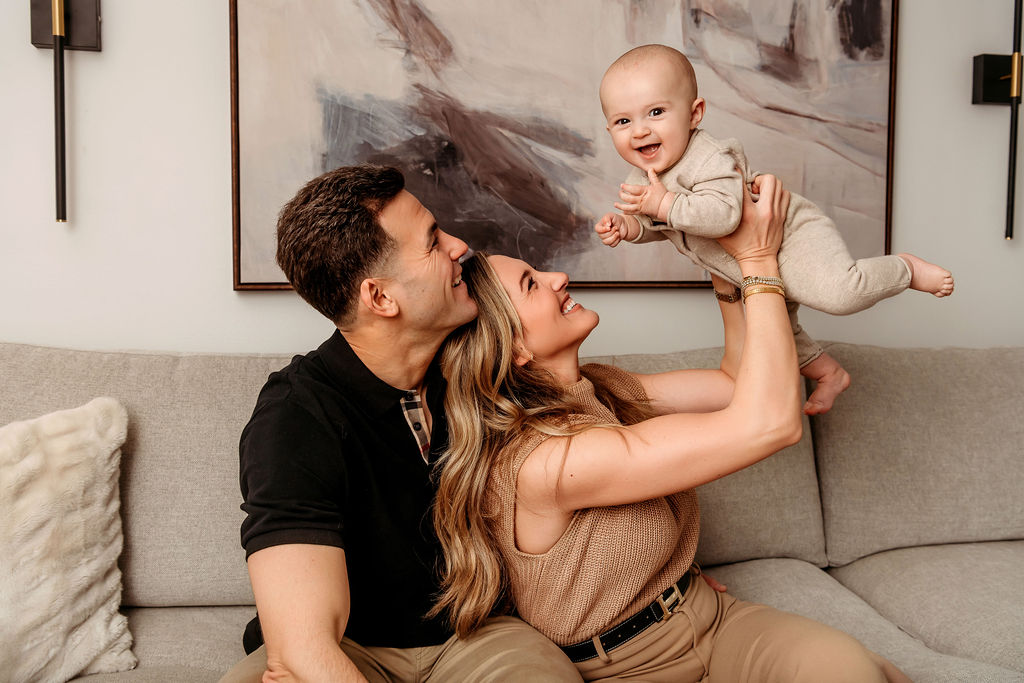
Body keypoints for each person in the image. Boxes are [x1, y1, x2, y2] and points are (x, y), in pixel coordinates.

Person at [431, 174, 911, 682]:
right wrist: (757, 263)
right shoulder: (545, 460)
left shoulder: (601, 385)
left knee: (854, 672)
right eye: (532, 284)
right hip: (632, 666)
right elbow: (770, 423)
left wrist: (723, 268)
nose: (557, 277)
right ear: (516, 350)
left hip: (715, 620)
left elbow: (735, 384)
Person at [220, 165, 583, 682]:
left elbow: (603, 439)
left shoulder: (483, 358)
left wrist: (664, 580)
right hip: (349, 650)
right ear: (382, 298)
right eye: (434, 241)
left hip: (475, 638)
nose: (460, 247)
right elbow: (301, 652)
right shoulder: (294, 417)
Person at [594, 43, 954, 415]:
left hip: (789, 236)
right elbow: (664, 225)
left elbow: (722, 216)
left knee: (841, 294)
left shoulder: (710, 158)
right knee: (774, 335)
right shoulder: (643, 177)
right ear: (610, 130)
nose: (639, 131)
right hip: (749, 267)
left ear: (694, 114)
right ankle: (829, 373)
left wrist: (662, 204)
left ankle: (906, 269)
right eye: (623, 121)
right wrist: (629, 226)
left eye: (655, 112)